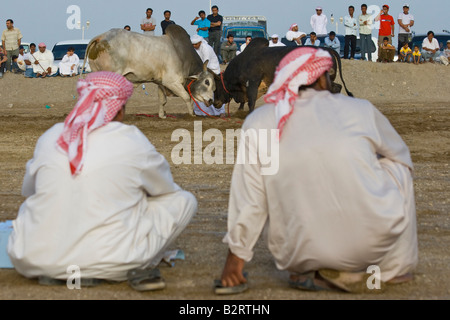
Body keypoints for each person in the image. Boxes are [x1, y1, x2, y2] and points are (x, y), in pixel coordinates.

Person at [217, 46, 418, 294]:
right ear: (322, 78)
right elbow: (402, 157)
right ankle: (392, 268)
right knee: (395, 165)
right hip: (369, 248)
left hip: (295, 253)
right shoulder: (360, 109)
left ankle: (310, 267)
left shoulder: (260, 121)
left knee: (268, 178)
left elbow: (251, 197)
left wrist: (234, 263)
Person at [7, 71, 197, 290]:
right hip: (112, 264)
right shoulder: (130, 138)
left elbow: (30, 191)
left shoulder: (52, 136)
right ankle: (143, 259)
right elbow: (164, 191)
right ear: (120, 108)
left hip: (33, 261)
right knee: (184, 200)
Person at [190, 34, 226, 117]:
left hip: (212, 70)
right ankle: (200, 112)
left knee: (213, 92)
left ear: (200, 42)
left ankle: (220, 111)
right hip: (201, 72)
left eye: (196, 44)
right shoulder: (194, 49)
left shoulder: (206, 48)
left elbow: (205, 64)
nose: (194, 46)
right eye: (193, 45)